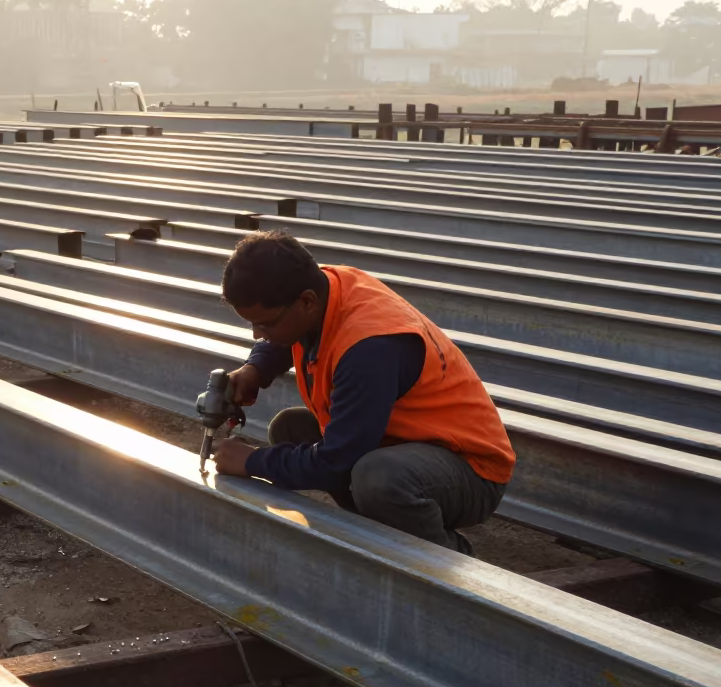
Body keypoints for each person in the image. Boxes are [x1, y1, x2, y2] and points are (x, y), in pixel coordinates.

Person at [212, 232, 515, 555]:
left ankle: (448, 567)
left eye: (265, 324)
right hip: (407, 442)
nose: (258, 334)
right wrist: (255, 369)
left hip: (470, 468)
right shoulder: (327, 289)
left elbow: (335, 462)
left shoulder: (370, 346)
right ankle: (376, 540)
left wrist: (254, 461)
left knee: (378, 478)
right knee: (290, 429)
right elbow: (295, 332)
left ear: (306, 302)